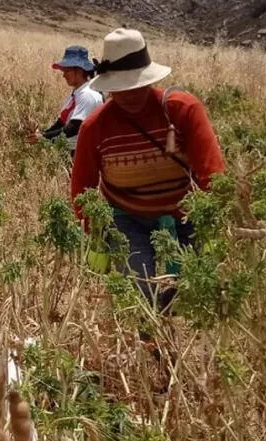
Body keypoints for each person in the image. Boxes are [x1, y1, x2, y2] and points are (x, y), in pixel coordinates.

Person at [70, 28, 225, 314]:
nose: (129, 94)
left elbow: (212, 174)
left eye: (136, 84)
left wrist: (211, 224)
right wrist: (97, 230)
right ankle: (150, 345)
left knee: (191, 295)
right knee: (139, 294)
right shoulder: (95, 127)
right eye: (121, 86)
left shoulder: (183, 110)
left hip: (186, 218)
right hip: (129, 219)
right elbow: (83, 190)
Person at [27, 45, 103, 154]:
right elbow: (61, 123)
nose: (63, 75)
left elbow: (74, 128)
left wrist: (43, 138)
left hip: (85, 153)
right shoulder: (76, 94)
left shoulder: (88, 95)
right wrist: (42, 135)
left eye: (67, 71)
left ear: (79, 70)